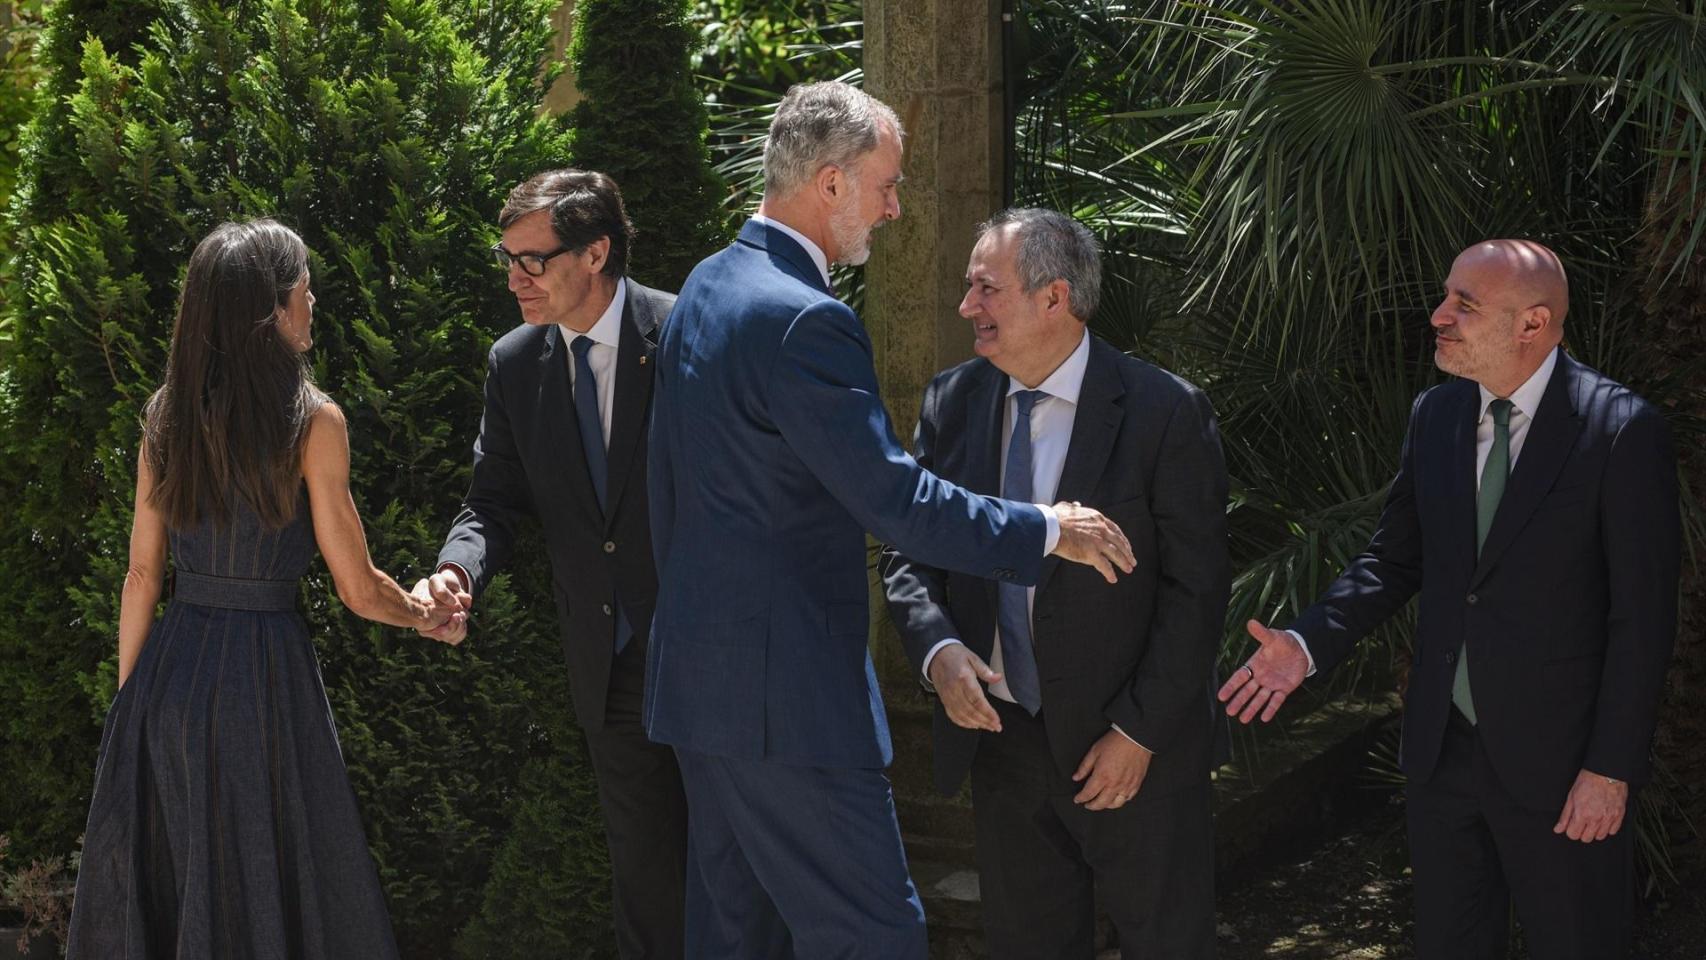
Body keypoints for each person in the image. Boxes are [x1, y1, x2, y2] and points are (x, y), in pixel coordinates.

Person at [645, 82, 1138, 960]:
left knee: (736, 938)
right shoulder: (805, 318)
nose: (895, 208)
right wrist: (1047, 529)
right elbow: (896, 502)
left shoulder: (706, 285)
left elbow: (669, 494)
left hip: (700, 688)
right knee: (875, 936)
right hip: (788, 707)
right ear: (831, 183)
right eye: (887, 184)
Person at [1219, 240, 1680, 959]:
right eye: (1446, 296)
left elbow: (1642, 621)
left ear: (1532, 324)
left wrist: (1610, 769)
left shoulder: (1619, 429)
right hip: (1443, 751)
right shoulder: (1436, 415)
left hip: (1563, 765)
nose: (1439, 315)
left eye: (1464, 305)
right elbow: (1394, 558)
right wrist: (1307, 645)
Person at [65, 218, 461, 959]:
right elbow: (356, 586)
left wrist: (133, 707)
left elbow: (142, 575)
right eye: (305, 291)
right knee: (269, 879)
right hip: (265, 682)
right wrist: (425, 614)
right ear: (274, 310)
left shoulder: (166, 417)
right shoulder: (313, 422)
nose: (313, 305)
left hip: (169, 681)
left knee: (188, 884)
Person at [880, 208, 1228, 959]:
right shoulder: (952, 401)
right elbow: (909, 554)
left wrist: (1138, 733)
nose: (966, 306)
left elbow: (1197, 594)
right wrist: (938, 652)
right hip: (1004, 743)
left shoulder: (1165, 411)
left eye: (986, 288)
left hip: (1133, 751)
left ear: (1054, 298)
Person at [411, 169, 689, 959]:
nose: (514, 279)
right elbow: (491, 501)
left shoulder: (685, 334)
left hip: (708, 649)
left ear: (595, 252)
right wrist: (458, 572)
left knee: (739, 871)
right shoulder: (514, 362)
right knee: (646, 888)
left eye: (532, 260)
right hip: (608, 664)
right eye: (507, 259)